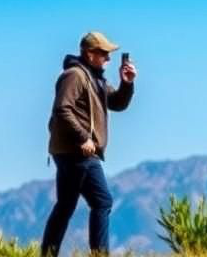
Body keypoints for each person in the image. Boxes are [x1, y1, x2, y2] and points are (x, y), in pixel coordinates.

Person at [40, 31, 137, 257]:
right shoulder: (74, 75)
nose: (108, 58)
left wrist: (127, 84)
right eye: (103, 53)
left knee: (65, 207)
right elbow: (62, 108)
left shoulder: (95, 78)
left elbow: (117, 103)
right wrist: (84, 137)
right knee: (102, 202)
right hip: (78, 152)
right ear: (89, 53)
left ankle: (47, 254)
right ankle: (99, 255)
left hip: (69, 151)